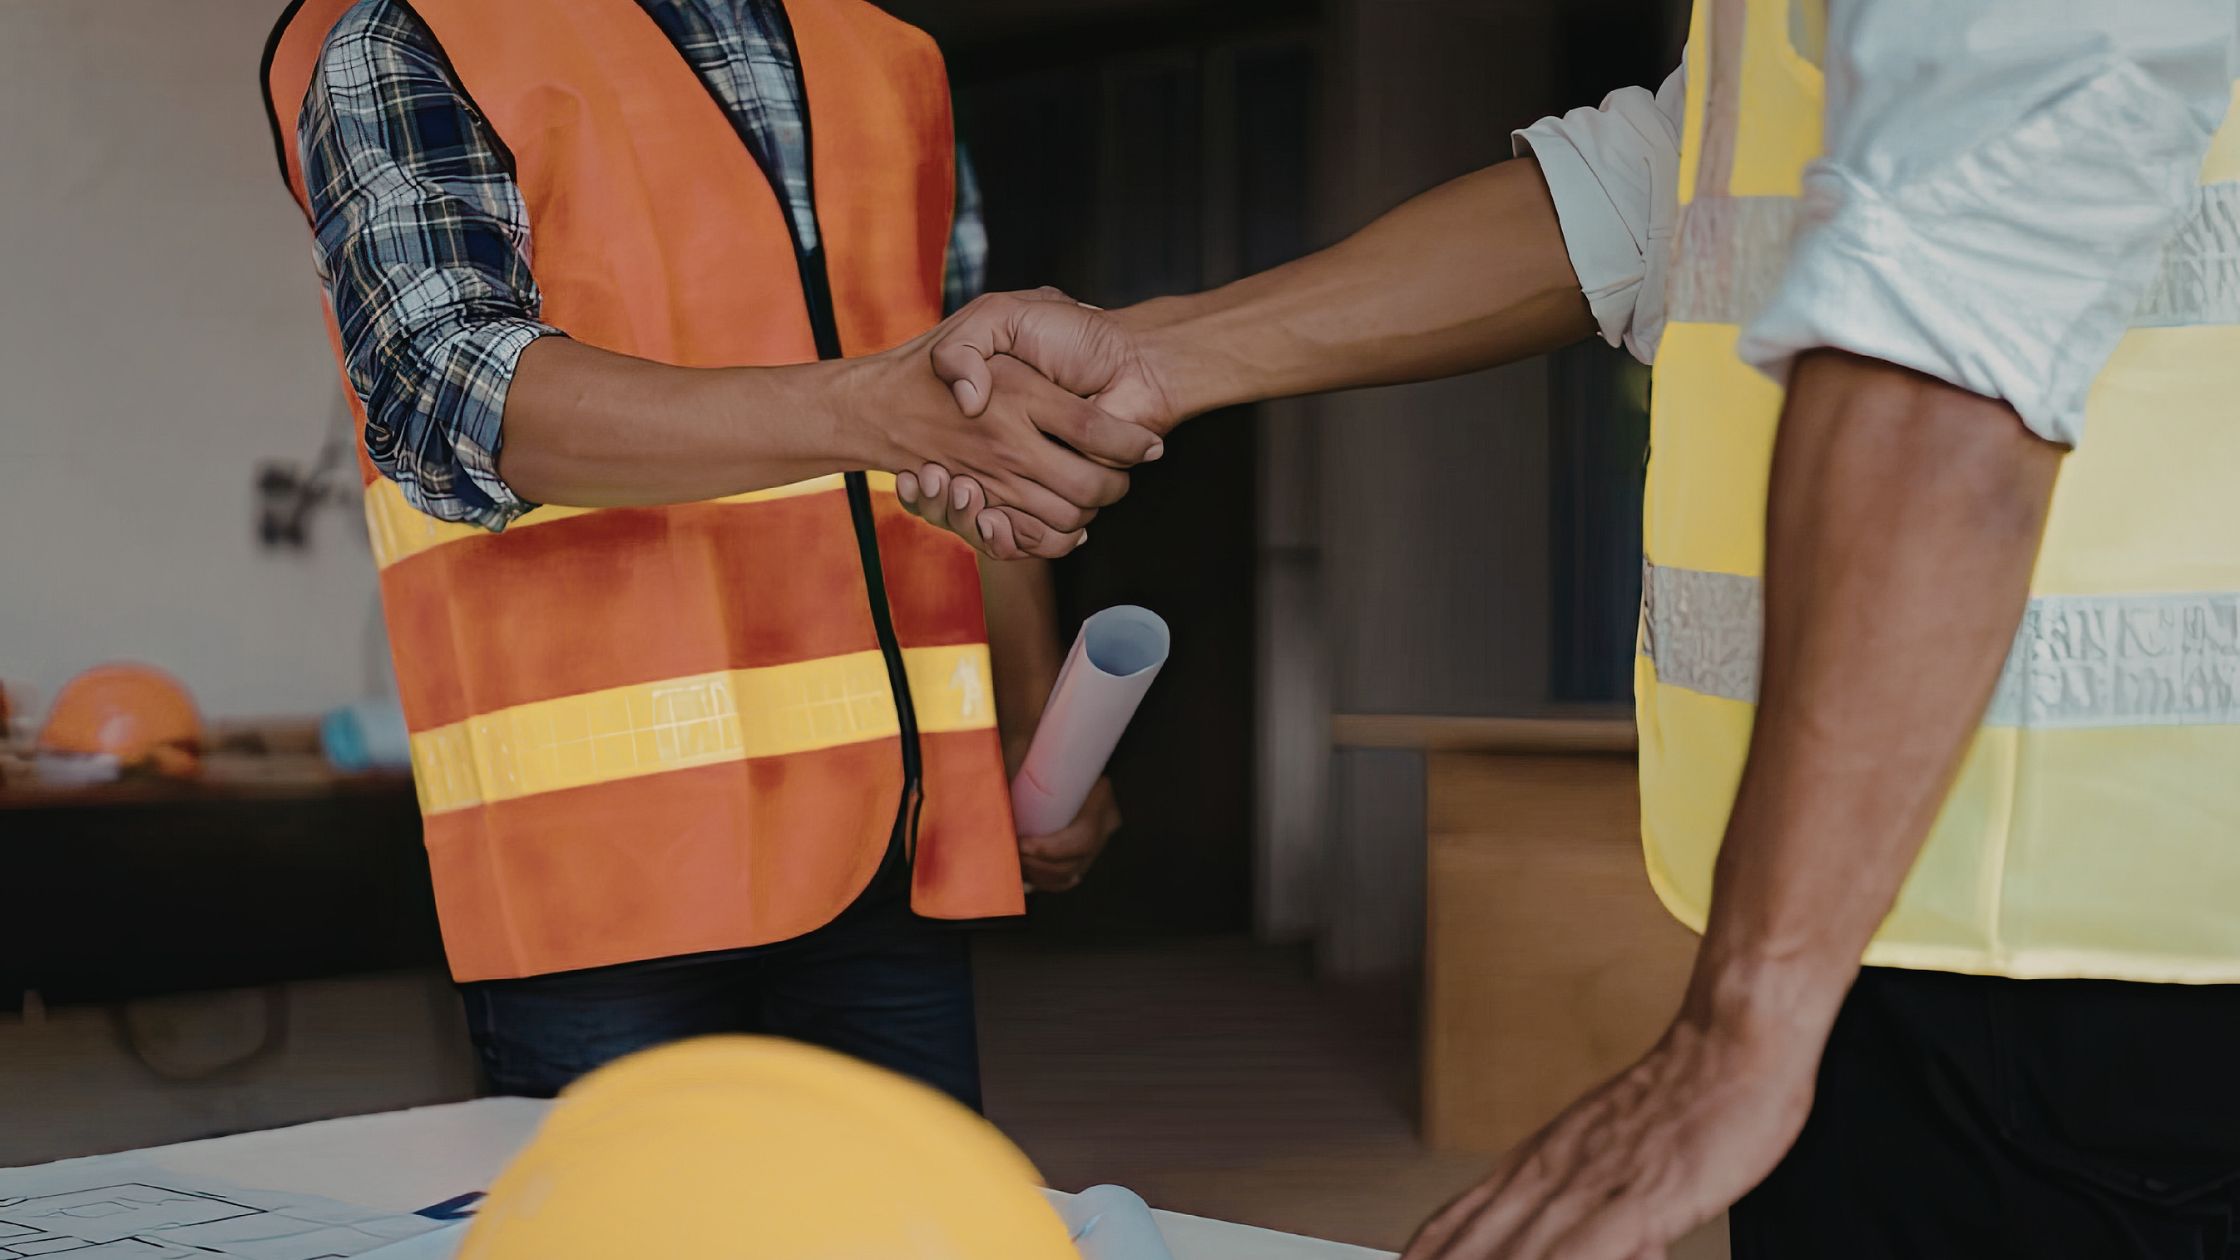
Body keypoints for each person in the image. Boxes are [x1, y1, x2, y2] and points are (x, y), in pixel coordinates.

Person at [906, 2, 2240, 1255]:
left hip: (2119, 938)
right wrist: (1163, 353)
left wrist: (1747, 1022)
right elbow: (1673, 192)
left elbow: (1948, 353)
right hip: (1895, 915)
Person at [256, 0, 1135, 1108]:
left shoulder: (886, 54)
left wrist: (1034, 728)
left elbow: (979, 423)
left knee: (905, 1204)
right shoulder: (413, 32)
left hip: (894, 836)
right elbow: (455, 398)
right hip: (605, 866)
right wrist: (869, 409)